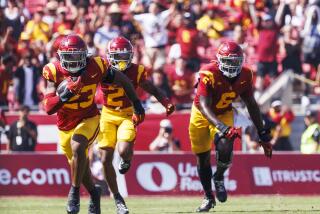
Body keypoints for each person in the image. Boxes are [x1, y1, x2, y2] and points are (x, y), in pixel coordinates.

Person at [42, 34, 145, 214]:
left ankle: (73, 193)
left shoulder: (96, 65)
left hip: (88, 117)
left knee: (77, 146)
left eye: (77, 56)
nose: (73, 61)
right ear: (60, 57)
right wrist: (66, 94)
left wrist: (136, 103)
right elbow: (49, 107)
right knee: (79, 166)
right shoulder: (53, 71)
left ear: (85, 55)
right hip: (65, 123)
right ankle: (94, 193)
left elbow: (123, 80)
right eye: (69, 56)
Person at [189, 41, 272, 212]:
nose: (232, 65)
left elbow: (251, 103)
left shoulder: (246, 74)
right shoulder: (208, 72)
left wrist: (262, 133)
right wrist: (223, 127)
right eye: (229, 61)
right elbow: (204, 106)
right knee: (202, 157)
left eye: (236, 61)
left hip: (224, 112)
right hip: (201, 114)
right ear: (219, 60)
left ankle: (218, 177)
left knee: (226, 145)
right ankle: (208, 196)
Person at [98, 36, 175, 214]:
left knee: (123, 151)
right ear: (110, 56)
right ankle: (117, 197)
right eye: (118, 56)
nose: (122, 60)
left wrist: (165, 101)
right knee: (104, 159)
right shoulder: (102, 69)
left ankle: (127, 159)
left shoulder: (136, 70)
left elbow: (151, 88)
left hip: (127, 113)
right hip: (107, 114)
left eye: (125, 56)